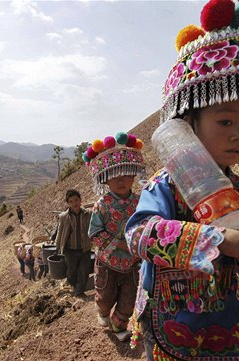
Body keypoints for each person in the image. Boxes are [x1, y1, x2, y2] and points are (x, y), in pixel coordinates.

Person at [125, 1, 239, 360]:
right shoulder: (165, 184)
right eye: (226, 121)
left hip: (224, 317)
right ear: (189, 121)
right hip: (169, 320)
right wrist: (217, 239)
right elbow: (139, 234)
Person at [84, 131, 147, 342]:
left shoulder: (141, 202)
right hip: (107, 262)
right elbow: (94, 232)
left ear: (133, 174)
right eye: (114, 176)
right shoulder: (101, 206)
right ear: (105, 179)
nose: (121, 180)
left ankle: (119, 325)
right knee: (105, 297)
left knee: (129, 298)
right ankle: (102, 311)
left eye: (127, 174)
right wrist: (119, 243)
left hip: (133, 262)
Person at [55, 189, 92, 297]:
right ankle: (75, 287)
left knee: (84, 272)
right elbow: (60, 233)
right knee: (71, 272)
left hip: (84, 249)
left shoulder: (88, 214)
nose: (74, 203)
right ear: (68, 203)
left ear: (80, 200)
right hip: (70, 250)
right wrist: (57, 247)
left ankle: (79, 292)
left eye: (76, 200)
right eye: (71, 201)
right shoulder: (63, 217)